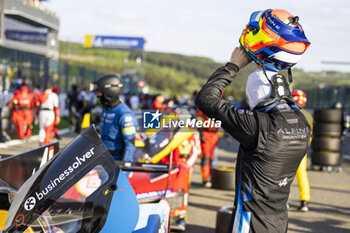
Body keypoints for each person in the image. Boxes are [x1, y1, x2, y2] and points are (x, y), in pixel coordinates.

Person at [195, 9, 312, 233]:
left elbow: (206, 99)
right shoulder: (303, 122)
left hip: (250, 223)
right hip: (279, 221)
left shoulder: (258, 127)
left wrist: (233, 66)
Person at [90, 74, 137, 162]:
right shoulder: (106, 110)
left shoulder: (125, 115)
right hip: (104, 161)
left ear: (109, 92)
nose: (98, 96)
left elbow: (130, 144)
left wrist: (124, 170)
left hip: (116, 163)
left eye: (99, 93)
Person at [292, 89, 311, 212]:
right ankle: (304, 201)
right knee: (302, 174)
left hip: (286, 148)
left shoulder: (286, 113)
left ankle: (281, 201)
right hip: (302, 149)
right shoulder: (308, 115)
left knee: (281, 175)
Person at [196, 108, 220, 188]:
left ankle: (210, 177)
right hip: (206, 133)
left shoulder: (218, 105)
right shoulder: (202, 106)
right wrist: (200, 133)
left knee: (211, 157)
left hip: (215, 134)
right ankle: (205, 179)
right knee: (205, 157)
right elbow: (198, 119)